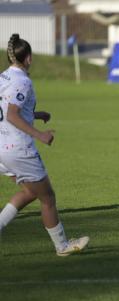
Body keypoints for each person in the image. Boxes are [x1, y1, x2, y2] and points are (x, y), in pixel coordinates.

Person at [0, 34, 89, 256]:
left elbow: (7, 111)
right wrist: (40, 135)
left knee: (29, 191)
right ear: (28, 58)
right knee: (47, 197)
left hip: (2, 147)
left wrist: (35, 114)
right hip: (18, 149)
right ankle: (62, 246)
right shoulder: (23, 81)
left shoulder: (3, 78)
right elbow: (12, 115)